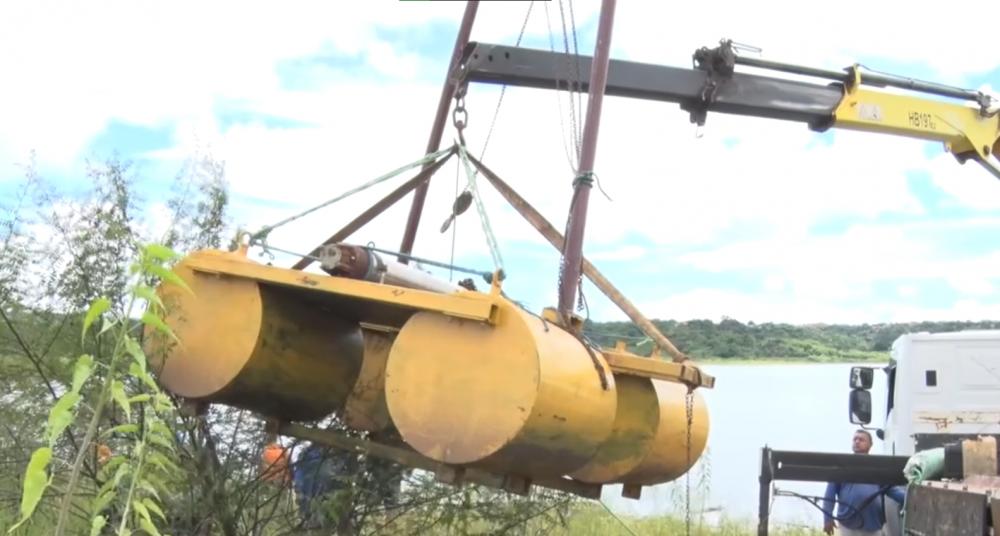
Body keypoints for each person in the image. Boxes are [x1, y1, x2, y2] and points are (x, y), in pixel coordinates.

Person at [822, 430, 906, 535]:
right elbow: (829, 495)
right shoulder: (842, 466)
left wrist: (909, 499)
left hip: (872, 526)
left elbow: (891, 490)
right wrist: (827, 518)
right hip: (848, 524)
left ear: (870, 445)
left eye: (861, 439)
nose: (857, 441)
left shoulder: (877, 468)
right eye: (855, 439)